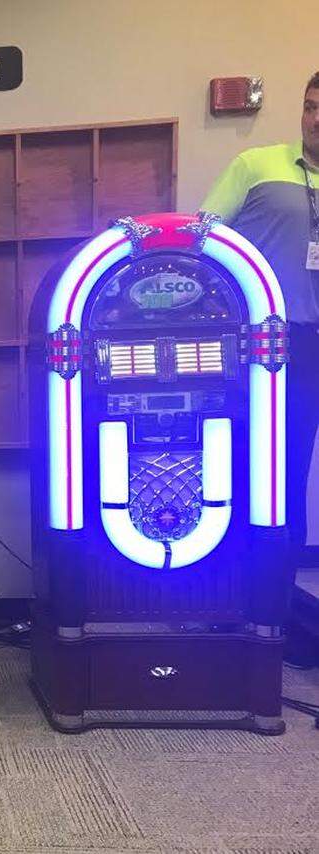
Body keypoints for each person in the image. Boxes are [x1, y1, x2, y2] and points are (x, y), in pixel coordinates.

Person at [201, 72, 319, 587]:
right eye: (311, 107)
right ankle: (256, 597)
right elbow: (202, 241)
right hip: (270, 343)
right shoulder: (256, 165)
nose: (316, 119)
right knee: (269, 470)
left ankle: (280, 600)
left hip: (313, 342)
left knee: (293, 469)